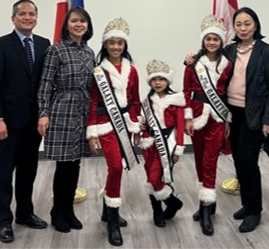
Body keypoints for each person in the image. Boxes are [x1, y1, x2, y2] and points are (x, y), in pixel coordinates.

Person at [185, 8, 269, 233]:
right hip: (229, 113)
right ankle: (246, 204)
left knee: (248, 161)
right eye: (239, 24)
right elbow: (207, 67)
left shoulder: (267, 52)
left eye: (248, 23)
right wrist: (188, 58)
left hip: (254, 115)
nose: (243, 28)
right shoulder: (228, 49)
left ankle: (254, 211)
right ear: (234, 28)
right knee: (238, 160)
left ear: (255, 25)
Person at [0, 0, 49, 243]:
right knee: (4, 173)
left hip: (34, 124)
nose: (27, 17)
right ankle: (4, 221)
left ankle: (25, 213)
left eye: (31, 14)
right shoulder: (0, 45)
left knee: (28, 171)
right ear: (13, 18)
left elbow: (45, 83)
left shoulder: (44, 44)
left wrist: (45, 114)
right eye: (22, 14)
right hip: (8, 124)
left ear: (36, 18)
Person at [37, 7, 95, 233]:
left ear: (88, 26)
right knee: (63, 165)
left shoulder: (90, 53)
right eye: (74, 21)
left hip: (82, 110)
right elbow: (45, 84)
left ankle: (69, 209)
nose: (79, 24)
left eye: (83, 21)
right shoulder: (56, 50)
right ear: (67, 25)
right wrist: (43, 113)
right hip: (62, 110)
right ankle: (57, 211)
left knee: (75, 163)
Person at [87, 18, 141, 247]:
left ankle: (106, 210)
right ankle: (112, 221)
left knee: (117, 168)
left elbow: (136, 101)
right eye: (112, 43)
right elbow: (93, 102)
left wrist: (136, 126)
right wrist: (92, 132)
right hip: (105, 124)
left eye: (120, 43)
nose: (116, 47)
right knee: (116, 167)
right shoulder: (99, 71)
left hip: (125, 125)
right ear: (105, 46)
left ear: (125, 45)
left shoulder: (133, 70)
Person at [183, 15, 232, 236]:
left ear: (221, 41)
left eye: (216, 39)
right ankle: (207, 201)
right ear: (203, 40)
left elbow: (229, 94)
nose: (212, 42)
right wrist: (186, 118)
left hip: (218, 119)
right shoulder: (193, 64)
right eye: (208, 38)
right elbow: (185, 92)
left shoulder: (227, 65)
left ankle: (204, 210)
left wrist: (228, 120)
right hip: (197, 116)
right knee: (200, 160)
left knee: (210, 161)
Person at [139, 59, 185, 228]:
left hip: (167, 144)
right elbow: (143, 123)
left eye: (162, 79)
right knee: (152, 177)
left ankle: (173, 203)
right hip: (149, 145)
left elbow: (180, 126)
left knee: (155, 178)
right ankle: (157, 211)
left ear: (168, 81)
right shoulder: (147, 101)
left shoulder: (175, 100)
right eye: (154, 79)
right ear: (150, 82)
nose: (158, 83)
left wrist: (179, 148)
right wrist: (142, 131)